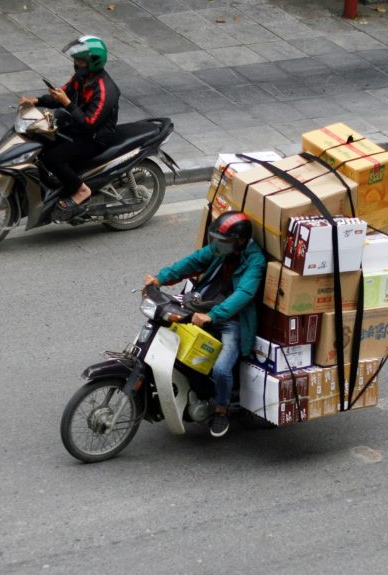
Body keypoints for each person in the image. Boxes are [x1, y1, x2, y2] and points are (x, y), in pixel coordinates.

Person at [144, 212, 267, 438]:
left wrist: (213, 316)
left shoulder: (255, 261)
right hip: (203, 306)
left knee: (221, 369)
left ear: (239, 241)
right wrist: (160, 278)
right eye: (215, 241)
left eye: (222, 242)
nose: (216, 247)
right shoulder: (222, 248)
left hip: (232, 320)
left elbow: (244, 293)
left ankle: (221, 410)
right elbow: (193, 261)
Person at [19, 35, 120, 220]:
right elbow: (62, 94)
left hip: (96, 137)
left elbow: (89, 123)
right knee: (41, 142)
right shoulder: (82, 77)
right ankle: (55, 182)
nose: (76, 63)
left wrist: (67, 104)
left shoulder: (105, 90)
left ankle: (81, 190)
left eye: (80, 60)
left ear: (93, 62)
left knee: (53, 158)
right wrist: (36, 101)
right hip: (78, 127)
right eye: (76, 59)